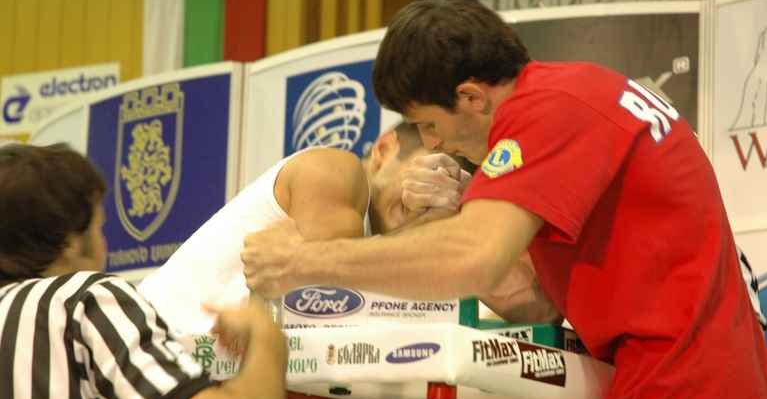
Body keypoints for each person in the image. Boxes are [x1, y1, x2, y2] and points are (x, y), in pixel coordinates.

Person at [239, 0, 767, 399]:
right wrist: (456, 215)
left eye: (428, 125)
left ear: (471, 96)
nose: (432, 143)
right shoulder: (567, 96)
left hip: (683, 389)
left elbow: (473, 259)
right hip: (677, 383)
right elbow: (535, 301)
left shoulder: (546, 111)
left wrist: (305, 261)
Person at [139, 122, 557, 338]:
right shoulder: (333, 170)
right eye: (426, 176)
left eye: (445, 191)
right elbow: (326, 304)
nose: (427, 201)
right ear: (384, 149)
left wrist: (465, 219)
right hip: (144, 345)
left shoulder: (412, 242)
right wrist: (432, 230)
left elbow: (540, 310)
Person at [0, 143, 287, 399]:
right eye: (99, 229)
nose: (105, 247)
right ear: (70, 242)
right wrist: (267, 339)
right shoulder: (82, 300)